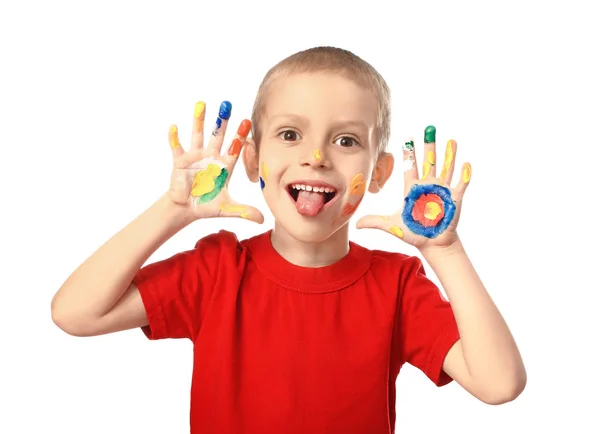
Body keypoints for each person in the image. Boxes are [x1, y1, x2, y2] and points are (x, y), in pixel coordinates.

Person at [51, 46, 526, 433]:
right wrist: (172, 212)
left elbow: (499, 383)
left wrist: (446, 251)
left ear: (378, 172)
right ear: (253, 161)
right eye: (290, 134)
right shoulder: (218, 269)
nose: (316, 156)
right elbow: (75, 312)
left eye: (346, 141)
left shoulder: (396, 284)